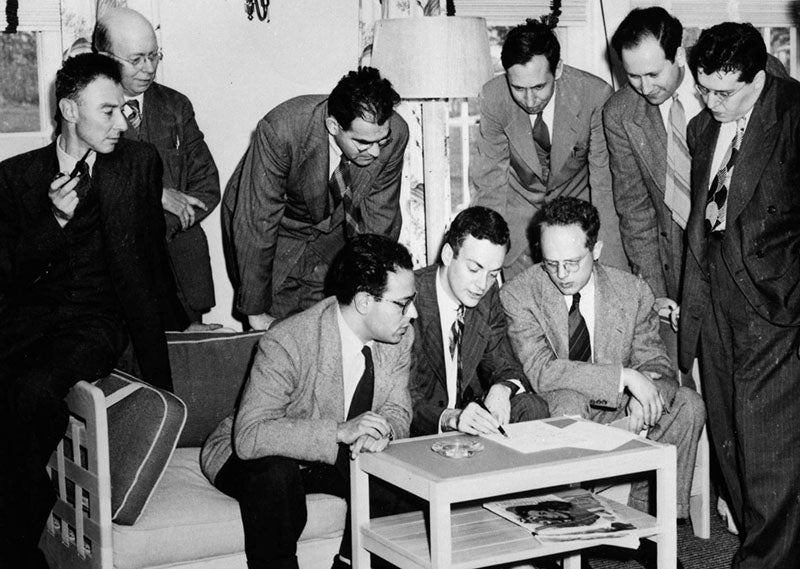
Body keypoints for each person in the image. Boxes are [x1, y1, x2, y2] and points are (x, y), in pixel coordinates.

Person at [0, 53, 180, 569]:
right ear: (68, 110)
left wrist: (164, 363)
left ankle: (17, 542)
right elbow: (8, 273)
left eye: (125, 110)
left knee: (33, 391)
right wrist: (53, 221)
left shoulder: (139, 163)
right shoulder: (15, 178)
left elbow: (149, 260)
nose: (121, 122)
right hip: (28, 320)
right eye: (107, 111)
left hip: (96, 323)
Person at [201, 234, 416, 569]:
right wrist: (340, 431)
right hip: (251, 453)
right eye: (402, 304)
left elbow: (397, 409)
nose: (411, 314)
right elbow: (250, 435)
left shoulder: (399, 338)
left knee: (401, 484)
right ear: (363, 302)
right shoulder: (288, 341)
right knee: (276, 478)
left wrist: (381, 431)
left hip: (327, 458)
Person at [501, 197, 704, 526]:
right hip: (562, 403)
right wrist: (623, 378)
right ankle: (571, 529)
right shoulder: (519, 294)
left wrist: (646, 388)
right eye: (552, 263)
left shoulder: (632, 290)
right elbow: (542, 372)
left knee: (688, 405)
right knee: (569, 402)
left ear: (595, 251)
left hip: (621, 406)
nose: (562, 274)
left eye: (573, 262)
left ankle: (655, 527)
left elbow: (655, 361)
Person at [681, 23, 800, 568]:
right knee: (730, 441)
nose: (710, 102)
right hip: (715, 305)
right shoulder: (702, 127)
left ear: (760, 77)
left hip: (776, 306)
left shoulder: (794, 114)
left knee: (768, 451)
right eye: (703, 88)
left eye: (724, 92)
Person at [222, 67, 409, 330]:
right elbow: (257, 220)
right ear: (333, 126)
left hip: (332, 236)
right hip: (273, 234)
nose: (377, 152)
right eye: (364, 143)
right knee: (276, 340)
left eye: (382, 141)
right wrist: (255, 312)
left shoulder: (394, 134)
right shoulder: (281, 130)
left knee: (330, 332)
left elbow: (380, 219)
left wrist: (371, 293)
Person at [470, 19, 625, 281]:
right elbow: (490, 185)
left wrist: (612, 272)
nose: (529, 101)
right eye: (518, 88)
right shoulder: (494, 97)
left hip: (576, 226)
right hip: (518, 233)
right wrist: (483, 260)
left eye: (539, 87)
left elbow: (604, 186)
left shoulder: (595, 96)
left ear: (559, 69)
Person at [93, 7, 220, 324]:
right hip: (118, 276)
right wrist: (157, 195)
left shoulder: (176, 106)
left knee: (190, 363)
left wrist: (160, 227)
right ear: (104, 56)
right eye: (136, 60)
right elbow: (89, 182)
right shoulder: (86, 111)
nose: (149, 68)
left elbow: (206, 185)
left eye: (154, 56)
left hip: (183, 271)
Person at [603, 7, 702, 367]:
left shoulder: (723, 83)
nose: (645, 88)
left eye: (653, 73)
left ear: (678, 55)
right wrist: (655, 294)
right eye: (633, 76)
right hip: (676, 272)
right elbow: (636, 213)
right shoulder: (620, 114)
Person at [410, 206, 548, 436]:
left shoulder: (487, 295)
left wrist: (502, 388)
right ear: (447, 255)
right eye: (474, 268)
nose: (482, 285)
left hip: (470, 419)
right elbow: (400, 395)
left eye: (493, 274)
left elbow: (505, 363)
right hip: (426, 427)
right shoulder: (410, 298)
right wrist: (450, 418)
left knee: (533, 408)